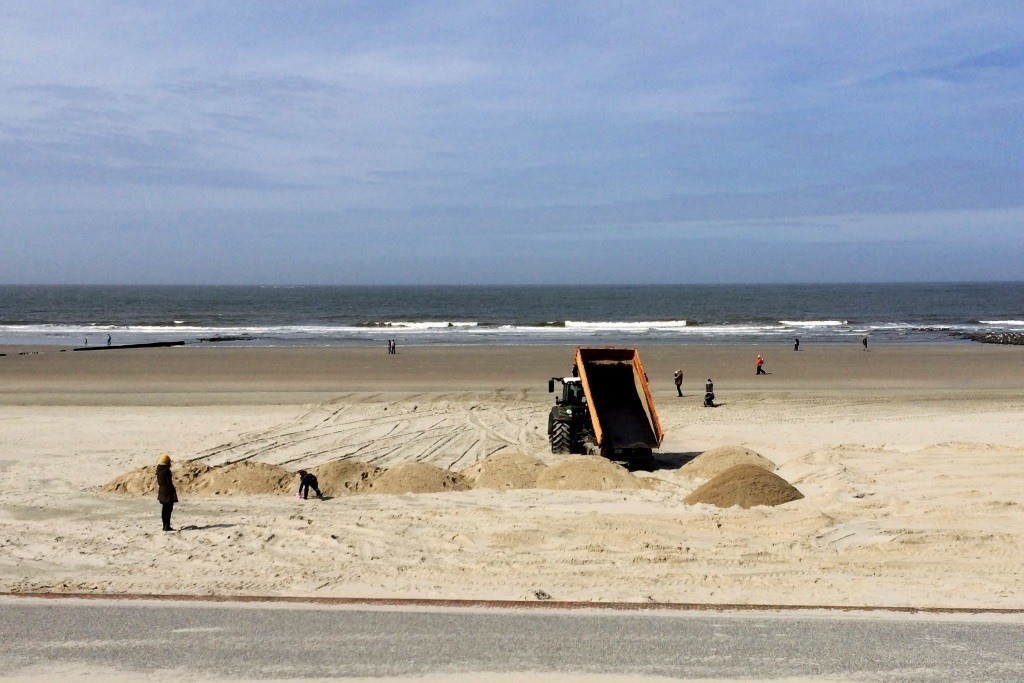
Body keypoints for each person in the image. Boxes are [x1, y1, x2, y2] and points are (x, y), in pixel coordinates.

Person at [156, 453, 177, 531]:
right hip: (167, 491)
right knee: (168, 509)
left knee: (164, 509)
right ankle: (167, 526)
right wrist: (173, 491)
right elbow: (169, 482)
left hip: (161, 490)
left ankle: (164, 525)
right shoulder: (166, 470)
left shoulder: (158, 469)